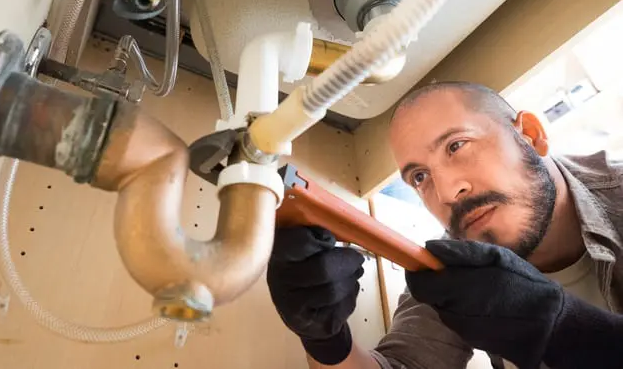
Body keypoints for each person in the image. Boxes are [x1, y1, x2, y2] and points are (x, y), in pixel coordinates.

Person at [267, 81, 623, 369]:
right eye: (420, 176)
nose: (450, 192)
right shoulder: (452, 265)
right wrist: (327, 341)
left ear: (530, 134)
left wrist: (558, 325)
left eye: (457, 145)